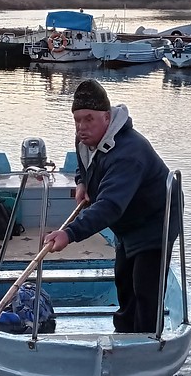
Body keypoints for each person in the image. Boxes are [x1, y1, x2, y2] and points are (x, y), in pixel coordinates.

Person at [46, 79, 181, 334]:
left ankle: (146, 344)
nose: (81, 127)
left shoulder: (129, 153)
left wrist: (70, 233)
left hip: (155, 220)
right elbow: (84, 161)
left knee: (145, 287)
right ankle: (124, 333)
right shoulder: (85, 139)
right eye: (77, 120)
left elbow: (109, 207)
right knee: (123, 278)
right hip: (128, 222)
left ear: (107, 118)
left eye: (89, 119)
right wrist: (83, 181)